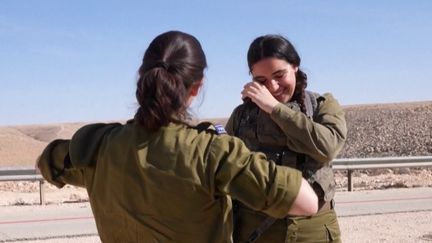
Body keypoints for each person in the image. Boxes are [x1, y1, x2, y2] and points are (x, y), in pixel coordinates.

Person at [36, 30, 319, 243]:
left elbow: (46, 163)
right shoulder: (211, 153)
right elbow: (306, 202)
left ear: (142, 77)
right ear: (196, 88)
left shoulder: (99, 146)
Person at [225, 34, 347, 243]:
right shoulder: (242, 115)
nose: (272, 87)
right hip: (256, 230)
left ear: (295, 67)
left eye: (279, 75)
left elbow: (327, 147)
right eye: (261, 81)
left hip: (314, 229)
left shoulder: (319, 105)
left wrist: (274, 109)